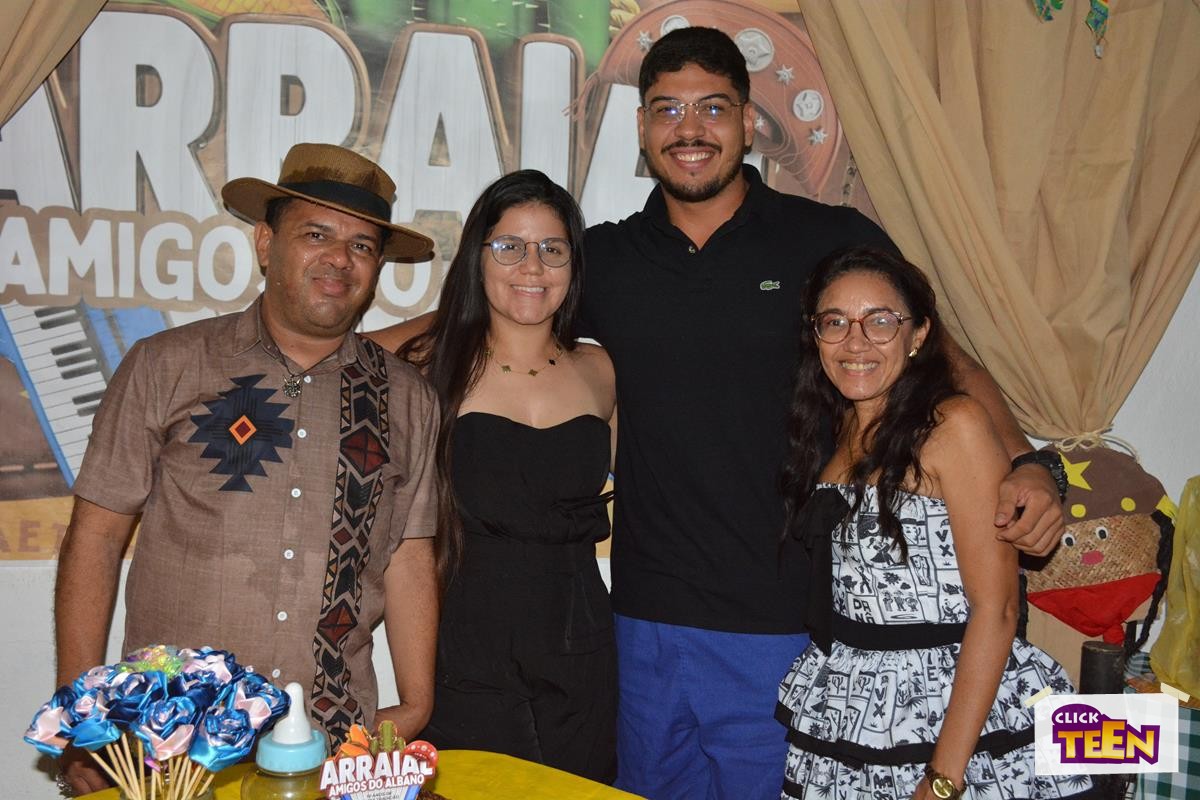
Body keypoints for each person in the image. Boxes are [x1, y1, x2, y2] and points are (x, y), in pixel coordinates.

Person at [575, 27, 1068, 800]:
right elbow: (489, 322)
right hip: (643, 621)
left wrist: (1032, 462)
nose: (690, 128)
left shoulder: (826, 237)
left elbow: (953, 363)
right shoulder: (602, 259)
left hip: (781, 620)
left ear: (749, 121)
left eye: (713, 107)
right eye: (667, 109)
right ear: (642, 127)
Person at [53, 143, 441, 795]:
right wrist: (80, 718)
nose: (340, 259)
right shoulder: (165, 366)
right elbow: (96, 537)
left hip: (333, 741)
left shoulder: (407, 399)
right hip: (171, 741)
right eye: (316, 234)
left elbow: (408, 553)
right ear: (266, 243)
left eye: (362, 245)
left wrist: (418, 701)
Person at [776, 246, 1089, 800]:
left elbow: (998, 610)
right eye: (835, 322)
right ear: (816, 335)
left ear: (917, 334)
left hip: (952, 719)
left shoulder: (954, 424)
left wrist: (943, 777)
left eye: (880, 321)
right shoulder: (841, 428)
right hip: (856, 711)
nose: (855, 342)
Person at [374, 170, 618, 782]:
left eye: (552, 248)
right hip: (465, 647)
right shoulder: (427, 358)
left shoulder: (598, 368)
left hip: (581, 648)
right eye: (509, 246)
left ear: (573, 264)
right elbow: (320, 352)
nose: (532, 267)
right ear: (476, 257)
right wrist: (449, 322)